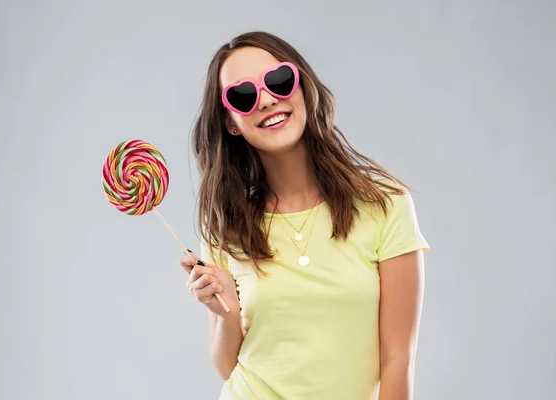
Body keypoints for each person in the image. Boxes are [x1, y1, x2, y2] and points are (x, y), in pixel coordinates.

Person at [179, 31, 429, 400]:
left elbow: (398, 360)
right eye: (243, 96)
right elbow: (227, 368)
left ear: (302, 87)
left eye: (278, 80)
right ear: (231, 123)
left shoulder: (385, 205)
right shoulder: (226, 228)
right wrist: (227, 309)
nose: (265, 99)